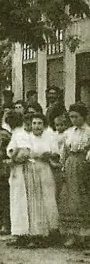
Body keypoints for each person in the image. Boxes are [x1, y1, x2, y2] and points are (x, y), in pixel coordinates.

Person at [9, 112, 60, 248]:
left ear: (44, 125)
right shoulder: (27, 137)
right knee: (33, 203)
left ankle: (48, 233)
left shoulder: (49, 137)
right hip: (31, 171)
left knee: (47, 200)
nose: (37, 126)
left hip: (45, 171)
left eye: (39, 123)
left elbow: (56, 153)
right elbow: (22, 152)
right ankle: (32, 233)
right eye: (34, 123)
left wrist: (49, 155)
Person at [59, 102, 90, 249]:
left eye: (76, 117)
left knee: (83, 198)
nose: (73, 120)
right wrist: (63, 167)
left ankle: (84, 235)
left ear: (83, 117)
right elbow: (64, 151)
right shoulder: (69, 132)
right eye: (71, 117)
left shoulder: (88, 132)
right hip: (71, 163)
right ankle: (71, 234)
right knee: (69, 198)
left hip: (84, 165)